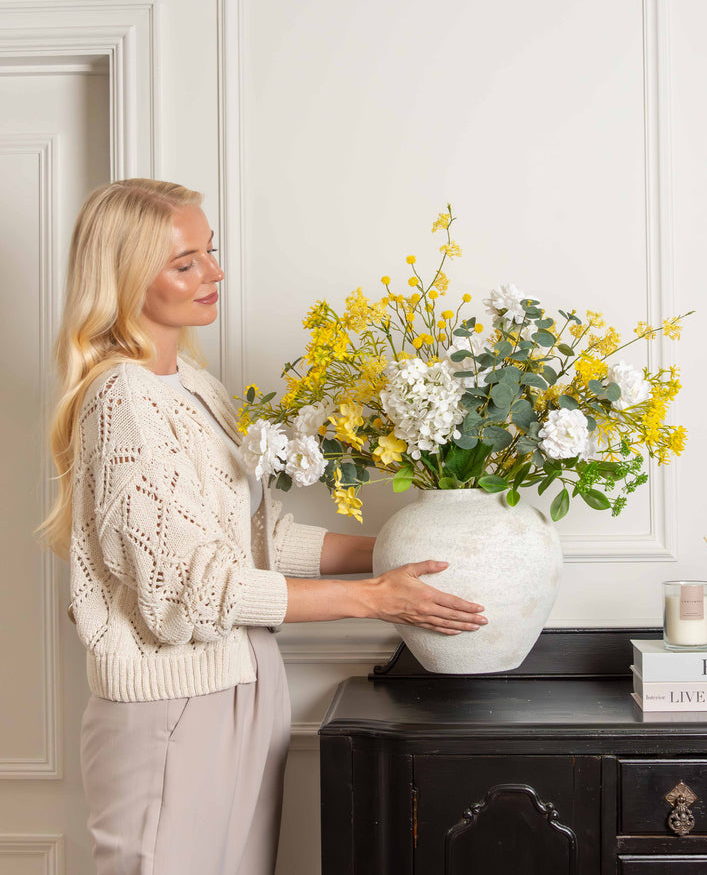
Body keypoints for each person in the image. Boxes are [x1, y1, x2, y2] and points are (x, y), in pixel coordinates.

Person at [38, 178, 487, 875]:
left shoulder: (193, 384)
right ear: (124, 277)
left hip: (244, 684)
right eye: (185, 263)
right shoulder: (122, 399)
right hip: (173, 704)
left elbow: (257, 539)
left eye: (210, 252)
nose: (213, 273)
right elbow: (193, 591)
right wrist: (375, 597)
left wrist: (412, 546)